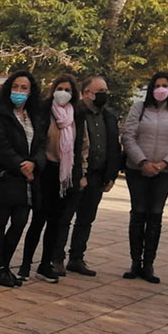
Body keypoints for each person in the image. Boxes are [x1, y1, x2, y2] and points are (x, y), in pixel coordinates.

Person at [121, 71, 168, 283]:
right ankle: (135, 262)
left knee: (155, 214)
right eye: (156, 85)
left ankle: (148, 264)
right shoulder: (139, 108)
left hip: (164, 172)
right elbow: (128, 136)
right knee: (138, 213)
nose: (160, 89)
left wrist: (164, 164)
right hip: (138, 170)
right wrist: (143, 162)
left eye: (165, 85)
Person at [17, 75, 88, 284]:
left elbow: (81, 146)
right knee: (38, 220)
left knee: (56, 223)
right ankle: (25, 265)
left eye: (67, 90)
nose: (63, 93)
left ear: (73, 94)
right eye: (60, 88)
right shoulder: (43, 111)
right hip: (45, 172)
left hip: (65, 175)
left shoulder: (77, 116)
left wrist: (80, 174)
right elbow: (37, 142)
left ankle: (45, 265)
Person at [58, 76, 123, 276]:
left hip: (98, 176)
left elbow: (114, 147)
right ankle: (56, 258)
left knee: (86, 219)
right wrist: (78, 174)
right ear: (87, 93)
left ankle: (76, 258)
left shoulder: (109, 117)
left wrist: (111, 176)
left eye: (105, 90)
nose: (104, 94)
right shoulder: (74, 113)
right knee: (65, 218)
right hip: (76, 174)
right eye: (100, 91)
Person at [0, 71, 45, 288]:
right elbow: (0, 146)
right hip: (6, 177)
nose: (19, 92)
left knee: (20, 222)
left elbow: (41, 145)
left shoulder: (35, 116)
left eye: (24, 88)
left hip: (28, 180)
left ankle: (5, 265)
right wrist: (21, 165)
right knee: (1, 221)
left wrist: (34, 164)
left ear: (30, 92)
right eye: (15, 87)